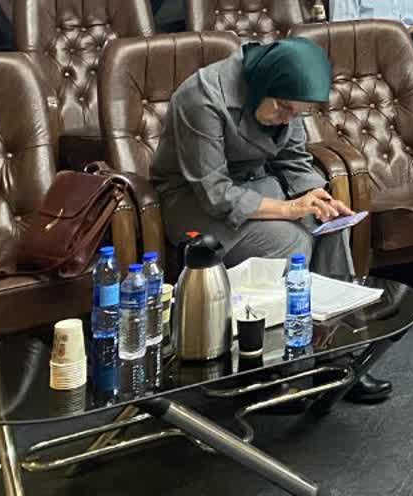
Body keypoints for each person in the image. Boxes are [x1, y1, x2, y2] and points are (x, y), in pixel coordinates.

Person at [149, 37, 391, 404]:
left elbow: (293, 160)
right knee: (290, 241)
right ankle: (274, 369)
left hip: (261, 187)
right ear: (263, 85)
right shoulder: (202, 97)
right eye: (283, 109)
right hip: (193, 202)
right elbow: (215, 193)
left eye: (297, 113)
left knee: (329, 228)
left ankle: (336, 359)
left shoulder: (289, 99)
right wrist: (291, 210)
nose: (288, 118)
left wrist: (317, 196)